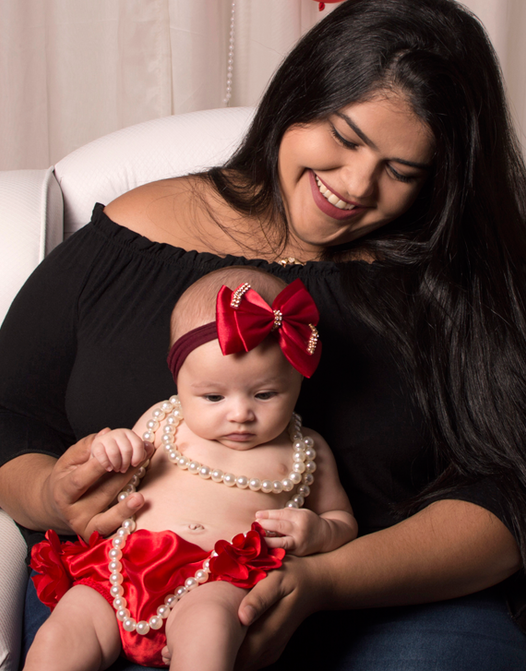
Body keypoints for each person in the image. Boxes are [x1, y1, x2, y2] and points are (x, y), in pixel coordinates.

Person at [0, 0, 526, 671]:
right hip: (132, 582)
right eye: (345, 138)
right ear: (298, 97)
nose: (355, 185)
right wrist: (54, 494)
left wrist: (325, 581)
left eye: (401, 170)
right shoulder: (131, 237)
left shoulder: (464, 280)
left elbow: (517, 498)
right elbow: (3, 417)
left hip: (396, 600)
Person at [24, 268, 357, 670]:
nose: (240, 414)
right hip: (121, 572)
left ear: (297, 382)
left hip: (215, 581)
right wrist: (108, 448)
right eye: (214, 396)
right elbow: (112, 475)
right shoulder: (163, 421)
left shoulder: (307, 450)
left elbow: (342, 519)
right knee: (63, 631)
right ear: (179, 381)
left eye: (265, 394)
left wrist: (320, 532)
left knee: (210, 630)